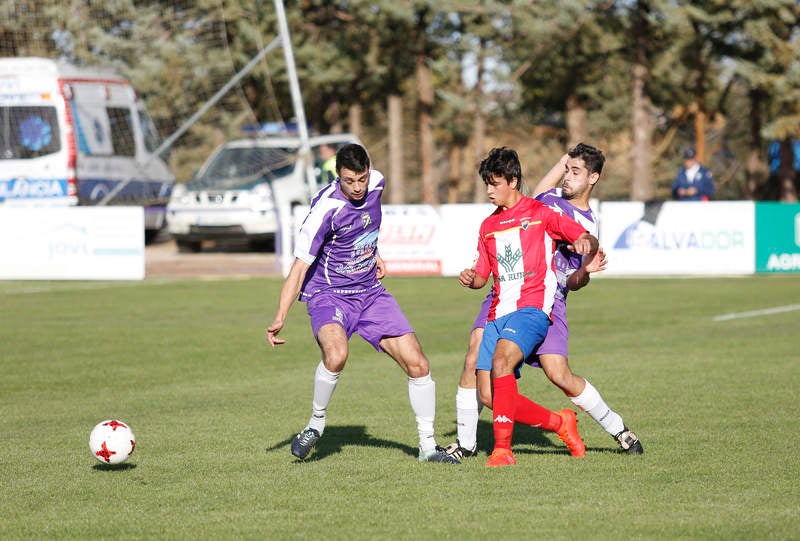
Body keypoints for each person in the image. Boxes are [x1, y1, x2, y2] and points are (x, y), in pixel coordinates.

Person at [446, 144, 643, 462]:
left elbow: (574, 282)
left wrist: (583, 268)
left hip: (549, 298)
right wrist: (566, 157)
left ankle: (617, 428)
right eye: (567, 168)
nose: (567, 175)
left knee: (559, 374)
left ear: (593, 178)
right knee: (476, 359)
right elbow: (528, 191)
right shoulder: (546, 200)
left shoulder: (583, 224)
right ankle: (466, 445)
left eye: (576, 171)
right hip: (504, 293)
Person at [265, 143, 459, 464]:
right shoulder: (325, 211)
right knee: (337, 354)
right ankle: (316, 424)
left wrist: (375, 253)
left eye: (362, 179)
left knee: (419, 365)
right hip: (329, 294)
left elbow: (366, 224)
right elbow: (299, 267)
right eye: (348, 181)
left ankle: (427, 448)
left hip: (370, 292)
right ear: (337, 175)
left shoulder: (378, 183)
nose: (357, 188)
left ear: (370, 171)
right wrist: (280, 316)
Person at [459, 146, 599, 467]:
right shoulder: (487, 227)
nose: (489, 190)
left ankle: (503, 451)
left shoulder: (540, 213)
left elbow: (586, 237)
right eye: (487, 184)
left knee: (502, 361)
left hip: (532, 308)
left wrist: (586, 244)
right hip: (497, 312)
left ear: (513, 180)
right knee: (488, 397)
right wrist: (471, 278)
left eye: (495, 183)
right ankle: (559, 423)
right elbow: (483, 275)